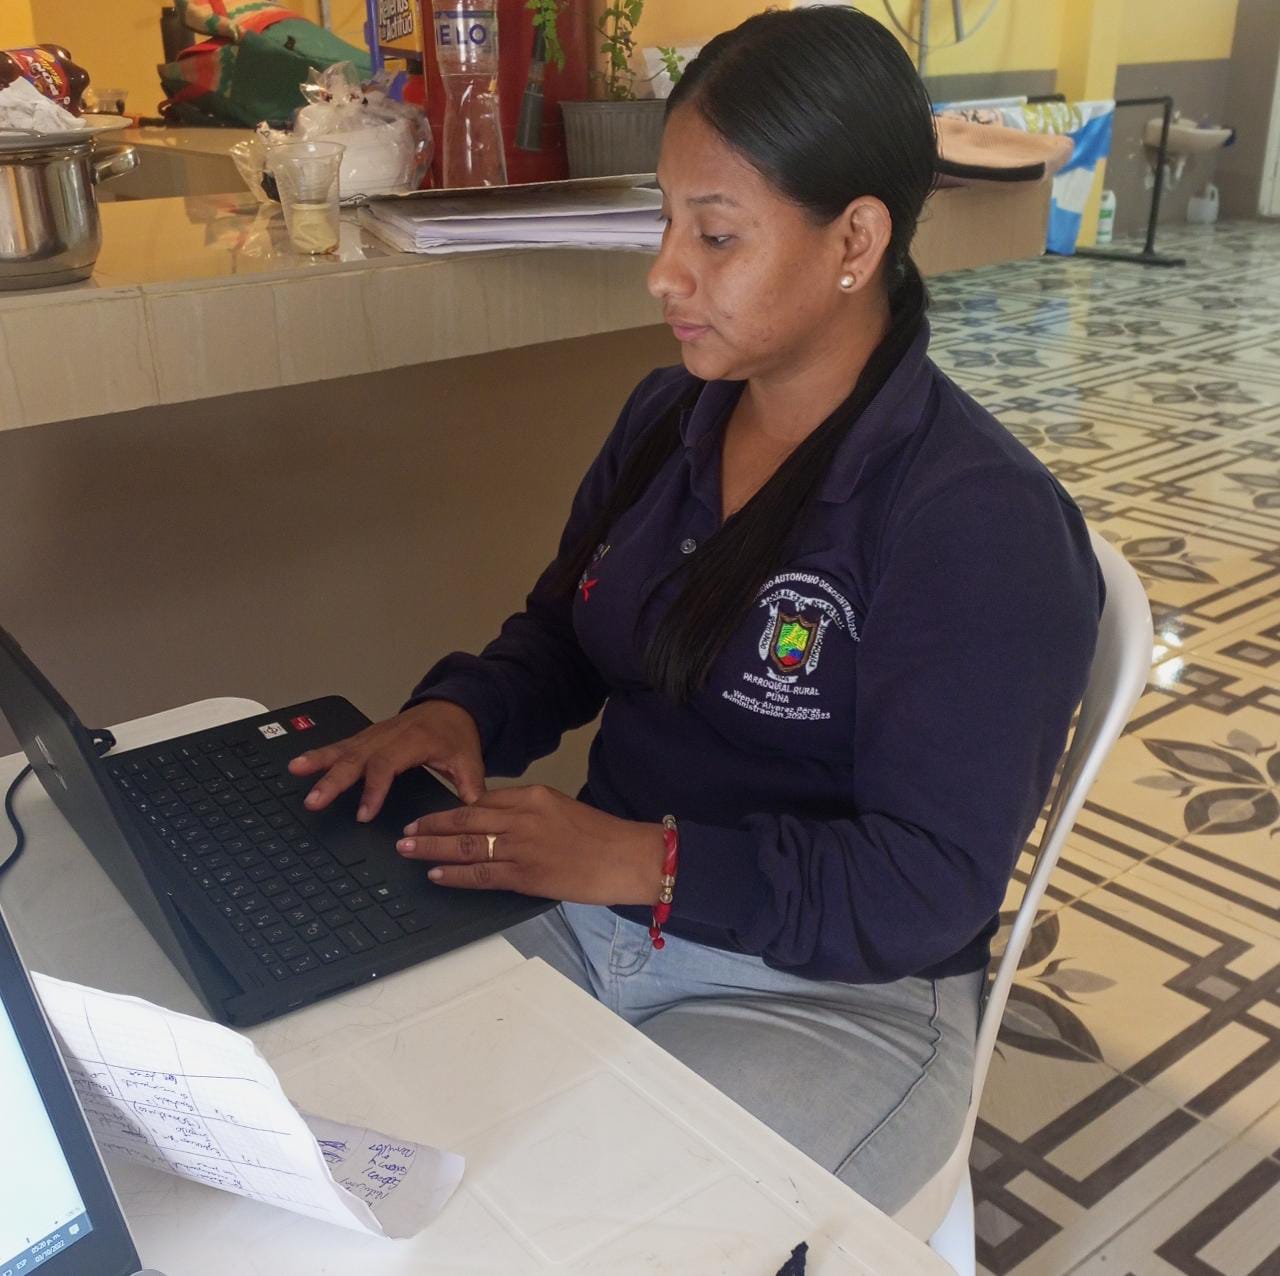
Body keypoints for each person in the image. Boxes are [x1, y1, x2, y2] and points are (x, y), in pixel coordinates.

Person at [288, 6, 1102, 1215]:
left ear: (854, 239)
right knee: (338, 1120)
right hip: (596, 914)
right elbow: (566, 634)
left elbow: (925, 885)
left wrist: (641, 858)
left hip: (834, 997)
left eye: (715, 234)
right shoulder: (669, 418)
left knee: (586, 1227)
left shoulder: (975, 521)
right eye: (664, 221)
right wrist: (462, 713)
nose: (664, 273)